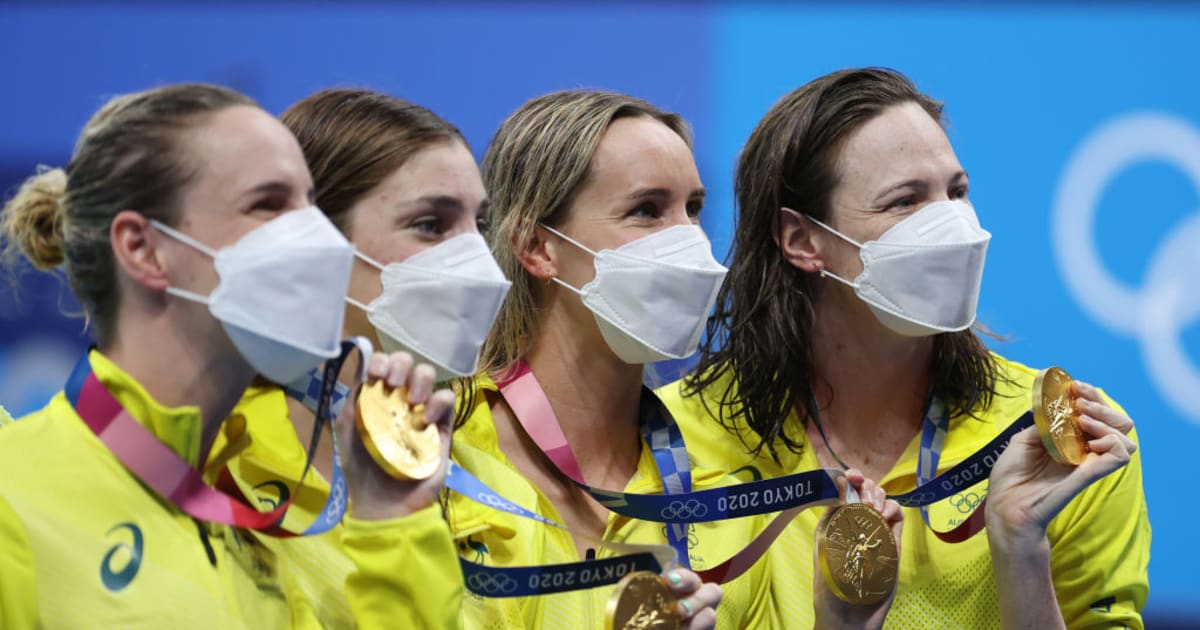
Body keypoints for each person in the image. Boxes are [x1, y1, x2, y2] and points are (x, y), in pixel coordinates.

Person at [661, 67, 1149, 629]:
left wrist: (1021, 549)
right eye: (904, 201)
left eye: (956, 192)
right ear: (801, 240)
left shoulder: (1061, 439)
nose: (954, 226)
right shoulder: (670, 441)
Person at [0, 83, 460, 629]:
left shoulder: (255, 542)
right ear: (144, 249)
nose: (325, 242)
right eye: (269, 204)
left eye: (309, 204)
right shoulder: (14, 496)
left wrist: (393, 525)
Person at [453, 88, 902, 630]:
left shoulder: (725, 492)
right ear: (538, 247)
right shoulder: (439, 457)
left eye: (692, 210)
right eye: (646, 211)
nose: (690, 246)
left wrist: (843, 626)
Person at [210, 87, 507, 627]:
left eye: (479, 225)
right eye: (431, 225)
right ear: (310, 246)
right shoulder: (209, 471)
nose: (480, 263)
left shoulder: (502, 491)